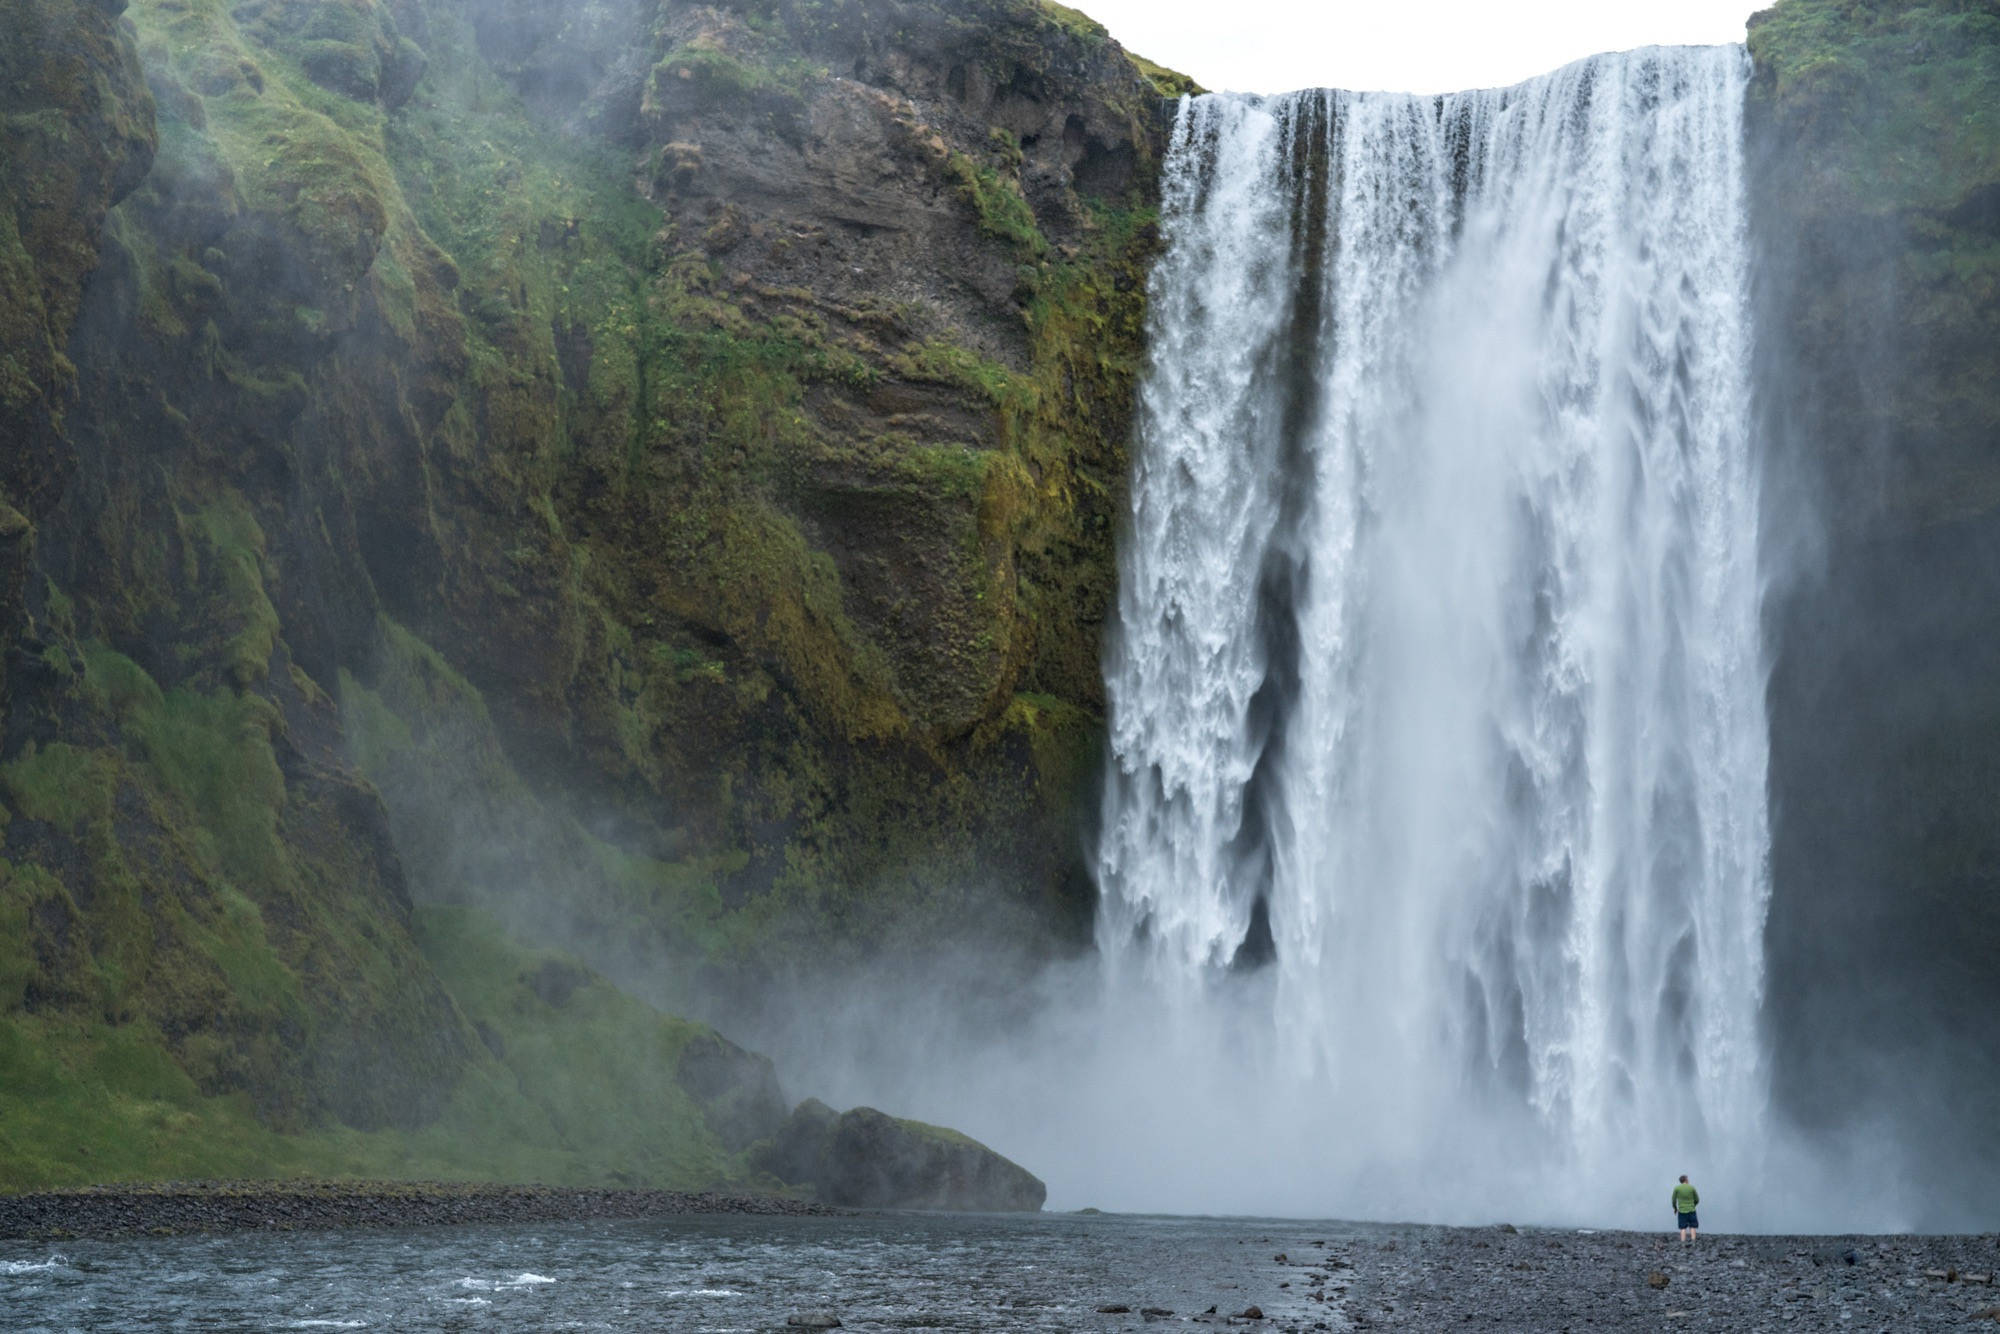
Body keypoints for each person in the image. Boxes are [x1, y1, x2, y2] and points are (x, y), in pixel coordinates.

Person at [1672, 1174, 1700, 1244]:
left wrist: (1675, 1208)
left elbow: (1673, 1200)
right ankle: (1693, 1242)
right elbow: (1697, 1199)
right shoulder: (1692, 1188)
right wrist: (1693, 1205)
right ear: (1686, 1180)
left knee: (1683, 1228)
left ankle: (1683, 1242)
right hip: (1692, 1210)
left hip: (1682, 1210)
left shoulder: (1677, 1188)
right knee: (1692, 1227)